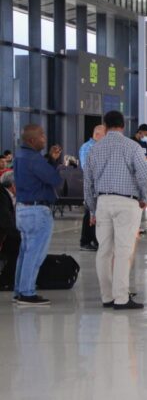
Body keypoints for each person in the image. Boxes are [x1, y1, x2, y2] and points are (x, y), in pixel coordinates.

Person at [83, 111, 147, 310]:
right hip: (127, 203)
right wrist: (145, 197)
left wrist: (93, 210)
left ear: (104, 126)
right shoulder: (132, 146)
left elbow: (87, 182)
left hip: (103, 201)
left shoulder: (95, 149)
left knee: (104, 251)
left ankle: (107, 297)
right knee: (123, 251)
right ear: (123, 125)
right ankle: (121, 297)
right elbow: (144, 175)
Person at [13, 124, 63, 306]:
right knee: (35, 254)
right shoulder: (33, 159)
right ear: (32, 140)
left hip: (23, 209)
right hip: (37, 211)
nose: (44, 138)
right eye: (41, 136)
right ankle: (27, 292)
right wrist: (54, 163)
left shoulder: (20, 155)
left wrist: (50, 159)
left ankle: (19, 290)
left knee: (25, 252)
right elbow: (54, 179)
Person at [78, 125, 107, 251]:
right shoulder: (87, 147)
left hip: (100, 186)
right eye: (105, 135)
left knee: (98, 214)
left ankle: (96, 240)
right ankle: (85, 241)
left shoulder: (102, 147)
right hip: (91, 186)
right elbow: (86, 167)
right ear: (97, 134)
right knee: (89, 213)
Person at [0, 172, 19, 290]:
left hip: (4, 232)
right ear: (13, 185)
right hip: (3, 234)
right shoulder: (2, 196)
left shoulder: (6, 195)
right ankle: (7, 280)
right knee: (19, 244)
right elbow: (5, 221)